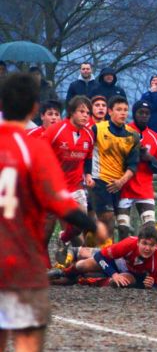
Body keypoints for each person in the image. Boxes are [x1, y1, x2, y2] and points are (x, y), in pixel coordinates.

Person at [0, 73, 98, 352]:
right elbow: (60, 204)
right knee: (28, 341)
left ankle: (67, 255)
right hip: (18, 258)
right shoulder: (34, 148)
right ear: (34, 109)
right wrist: (95, 225)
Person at [42, 96, 97, 254]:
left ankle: (63, 239)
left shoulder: (89, 134)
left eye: (88, 112)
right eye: (81, 111)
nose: (85, 115)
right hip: (53, 186)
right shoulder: (56, 130)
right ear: (72, 112)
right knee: (47, 226)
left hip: (75, 186)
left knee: (81, 223)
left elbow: (88, 158)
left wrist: (87, 174)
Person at [85, 95, 140, 242]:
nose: (123, 113)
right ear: (110, 111)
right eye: (119, 110)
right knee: (107, 218)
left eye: (125, 110)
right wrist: (87, 174)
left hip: (118, 184)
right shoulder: (97, 129)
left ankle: (85, 252)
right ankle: (106, 257)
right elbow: (86, 153)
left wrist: (121, 181)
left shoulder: (133, 135)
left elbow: (133, 165)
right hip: (99, 180)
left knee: (107, 223)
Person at [54, 223, 157, 289]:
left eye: (152, 245)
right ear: (138, 242)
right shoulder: (129, 243)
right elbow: (100, 256)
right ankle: (64, 271)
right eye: (144, 243)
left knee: (121, 283)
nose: (147, 248)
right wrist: (113, 273)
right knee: (83, 265)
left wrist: (151, 284)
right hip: (116, 260)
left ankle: (82, 280)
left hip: (130, 273)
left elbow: (156, 283)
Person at [117, 100, 157, 240]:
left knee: (150, 228)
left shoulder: (155, 137)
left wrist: (149, 158)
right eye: (141, 112)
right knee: (123, 229)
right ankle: (122, 259)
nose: (144, 116)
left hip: (144, 190)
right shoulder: (122, 132)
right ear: (134, 114)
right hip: (124, 189)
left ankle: (142, 257)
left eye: (147, 113)